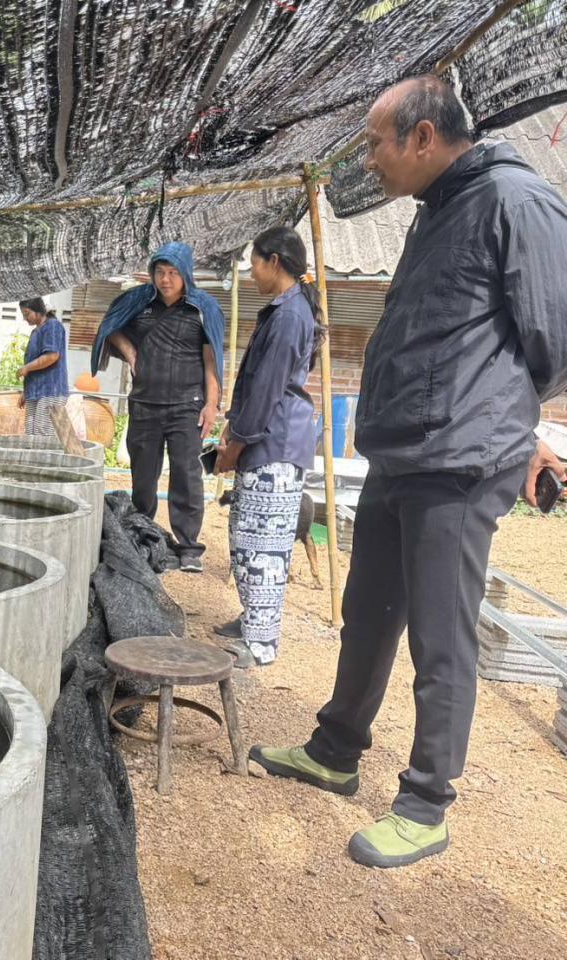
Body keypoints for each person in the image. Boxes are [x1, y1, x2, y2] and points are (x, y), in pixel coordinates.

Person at [250, 76, 567, 869]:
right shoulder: (440, 209)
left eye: (374, 142)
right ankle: (335, 749)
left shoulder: (514, 202)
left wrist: (511, 426)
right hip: (403, 452)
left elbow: (554, 341)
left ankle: (426, 805)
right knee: (370, 612)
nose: (368, 158)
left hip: (460, 460)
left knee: (440, 635)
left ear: (422, 136)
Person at [212, 226, 322, 668]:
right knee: (248, 538)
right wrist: (232, 432)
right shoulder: (284, 311)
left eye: (254, 263)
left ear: (274, 261)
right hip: (267, 442)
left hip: (274, 445)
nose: (251, 273)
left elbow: (266, 392)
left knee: (265, 548)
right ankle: (252, 622)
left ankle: (260, 644)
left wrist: (236, 444)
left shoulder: (291, 315)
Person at [91, 242, 225, 572]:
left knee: (187, 474)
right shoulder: (138, 302)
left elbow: (213, 359)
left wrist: (212, 404)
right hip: (145, 405)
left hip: (186, 406)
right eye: (160, 272)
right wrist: (132, 354)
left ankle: (189, 547)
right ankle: (143, 535)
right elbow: (111, 328)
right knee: (143, 477)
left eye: (173, 273)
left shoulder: (201, 308)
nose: (165, 279)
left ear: (186, 275)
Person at [16, 297, 69, 436]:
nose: (25, 318)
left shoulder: (52, 326)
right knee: (30, 432)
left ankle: (48, 458)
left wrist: (26, 368)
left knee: (43, 433)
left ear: (38, 310)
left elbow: (52, 356)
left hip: (51, 389)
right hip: (35, 391)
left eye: (27, 314)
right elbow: (35, 362)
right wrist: (26, 391)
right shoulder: (35, 332)